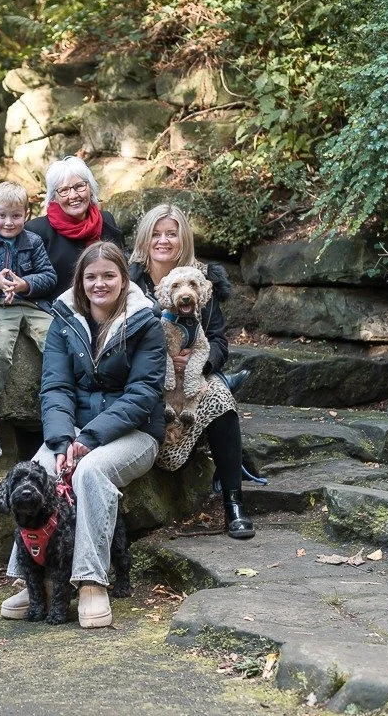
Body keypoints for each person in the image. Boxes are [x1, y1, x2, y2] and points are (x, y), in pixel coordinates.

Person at [0, 241, 166, 628]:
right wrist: (60, 440)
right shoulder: (64, 319)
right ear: (80, 281)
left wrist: (87, 439)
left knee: (90, 472)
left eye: (109, 276)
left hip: (135, 434)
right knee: (38, 468)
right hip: (72, 431)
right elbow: (55, 387)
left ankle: (91, 580)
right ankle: (32, 578)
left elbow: (143, 395)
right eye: (91, 277)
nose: (100, 284)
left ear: (124, 279)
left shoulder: (146, 322)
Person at [127, 203, 255, 539]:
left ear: (183, 239)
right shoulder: (129, 280)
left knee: (221, 397)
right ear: (145, 238)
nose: (163, 241)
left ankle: (234, 502)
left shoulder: (202, 281)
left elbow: (218, 342)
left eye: (171, 233)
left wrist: (202, 363)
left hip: (195, 371)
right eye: (156, 233)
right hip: (148, 376)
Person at [0, 181, 56, 459]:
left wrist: (25, 284)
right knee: (0, 347)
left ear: (27, 215)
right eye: (2, 215)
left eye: (16, 216)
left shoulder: (34, 241)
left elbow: (49, 277)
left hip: (30, 304)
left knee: (55, 341)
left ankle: (64, 407)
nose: (8, 222)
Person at [25, 156, 124, 294]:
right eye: (64, 190)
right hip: (56, 311)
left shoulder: (106, 220)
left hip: (106, 306)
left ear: (90, 188)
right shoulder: (36, 231)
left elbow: (121, 268)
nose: (73, 195)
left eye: (79, 186)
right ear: (54, 197)